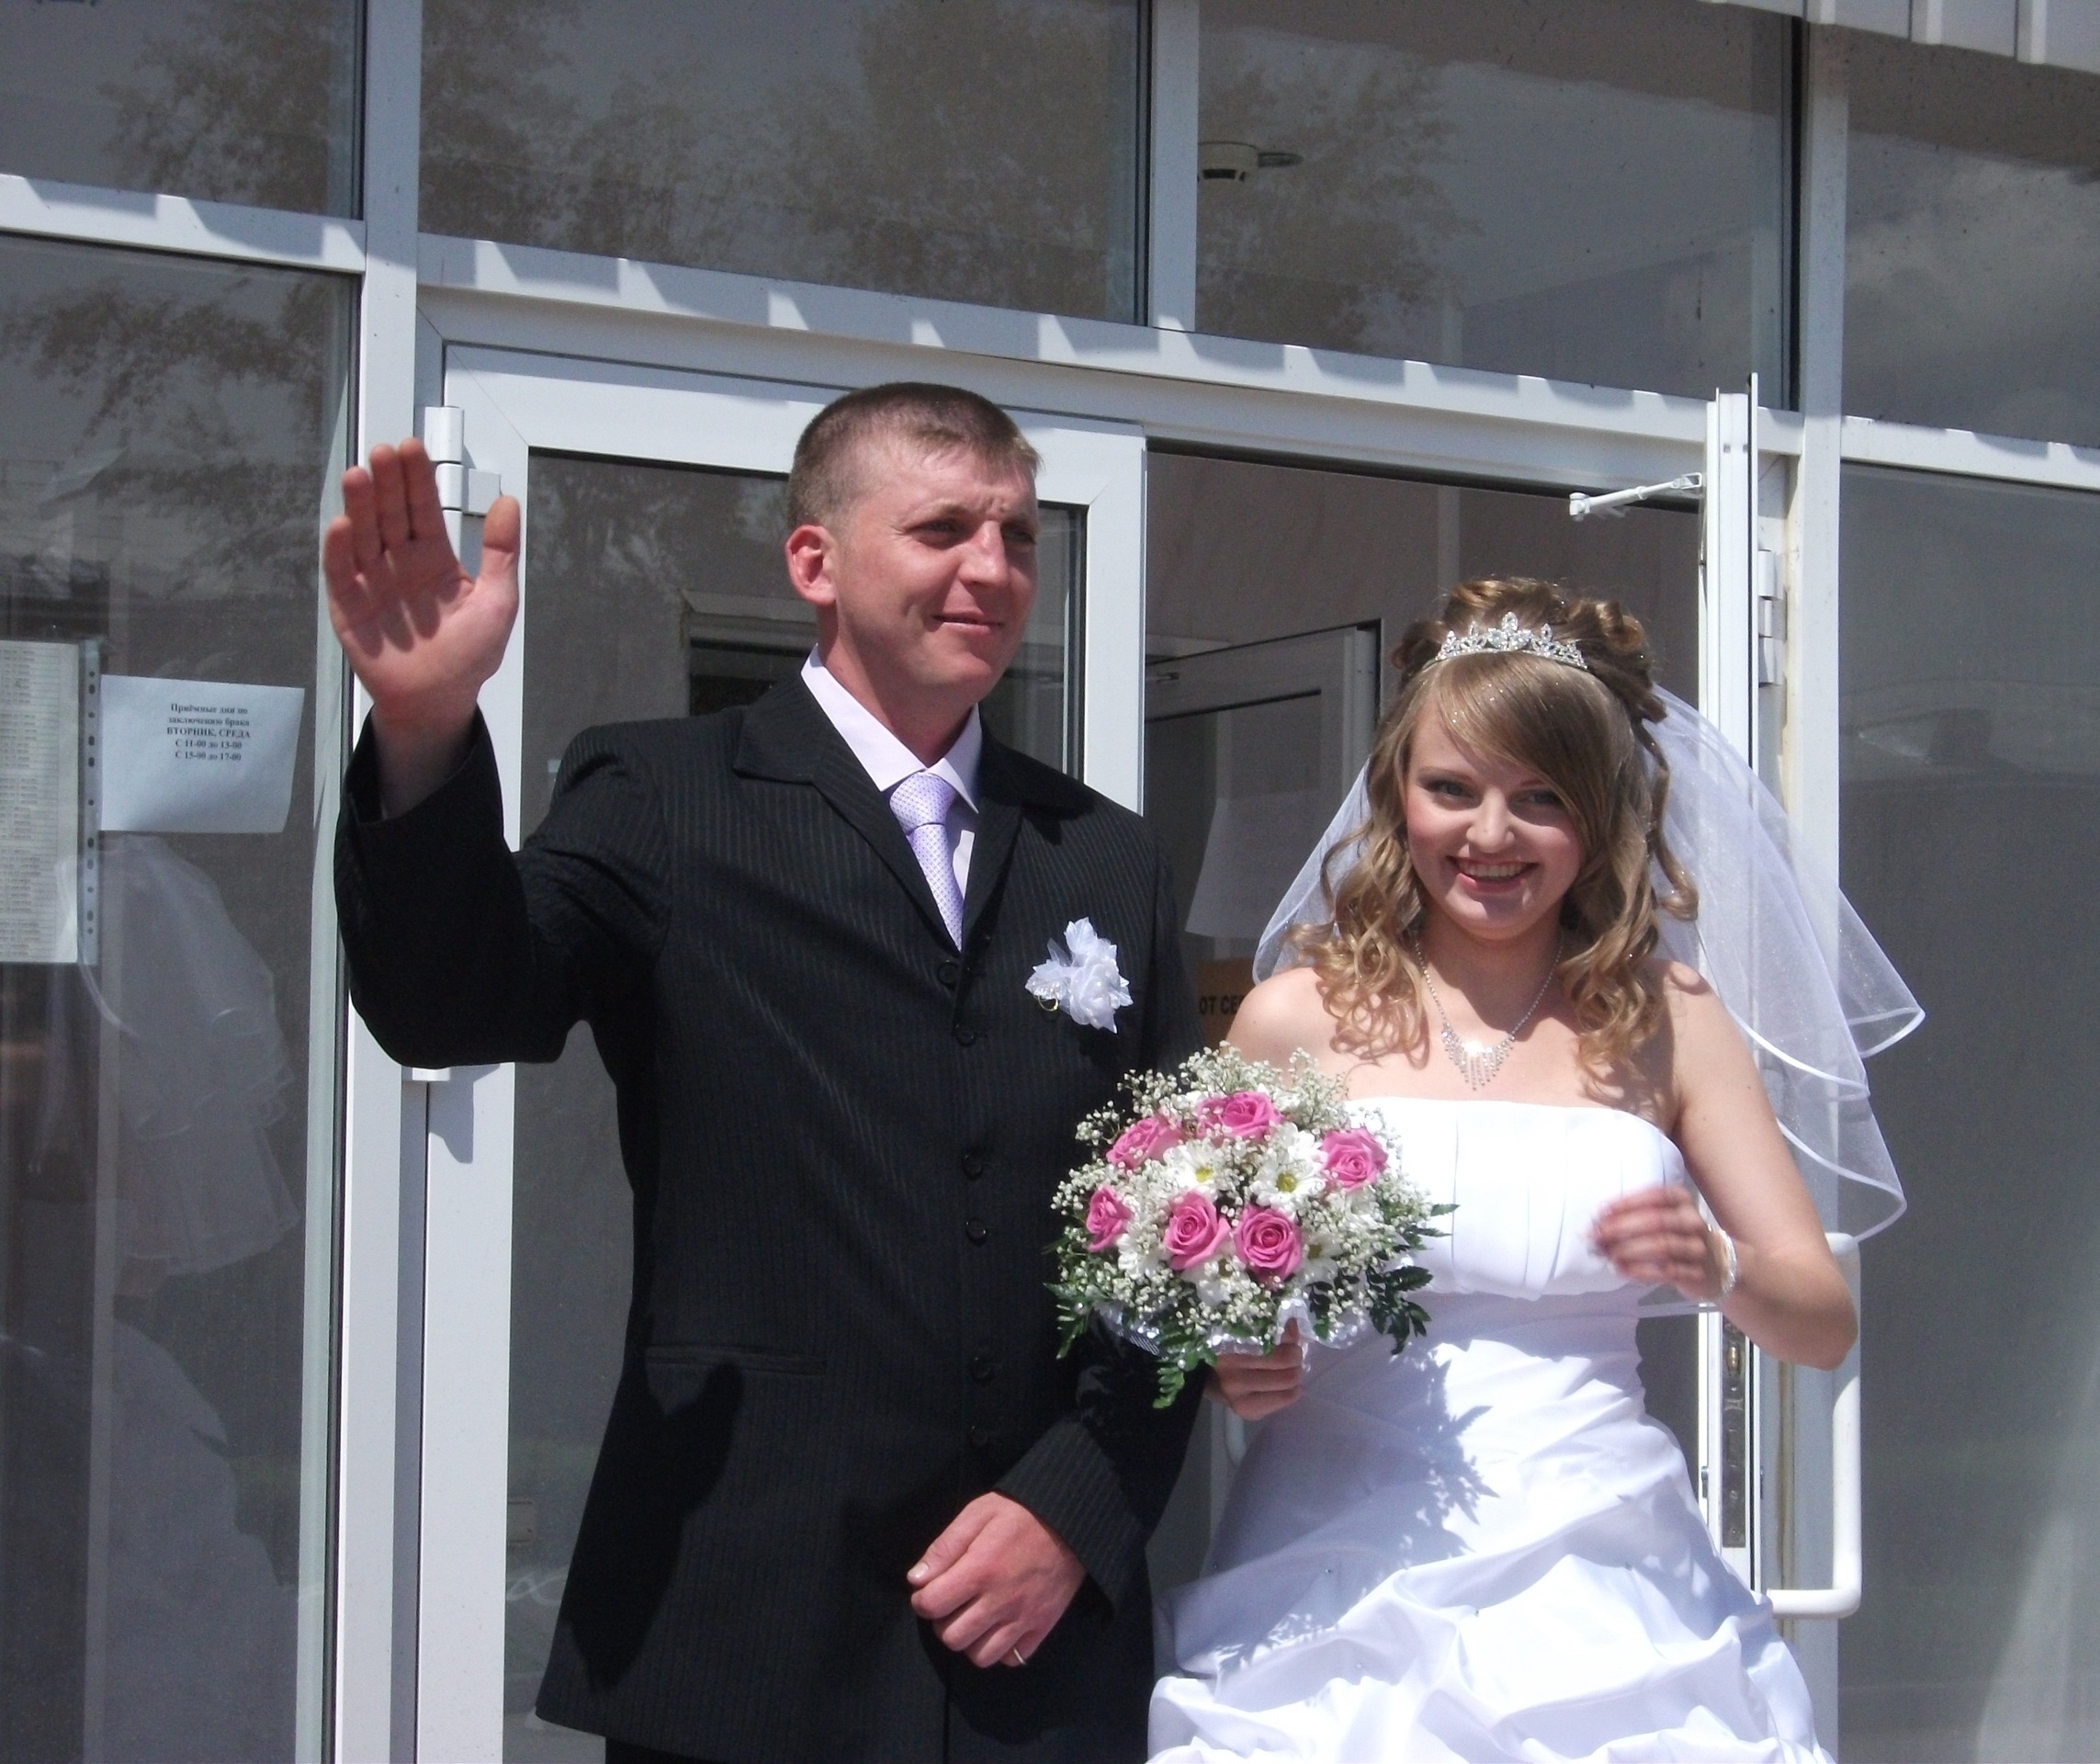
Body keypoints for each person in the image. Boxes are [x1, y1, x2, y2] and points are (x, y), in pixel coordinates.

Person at [328, 382, 1202, 1763]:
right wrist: (426, 729)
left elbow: (1184, 1237)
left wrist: (1080, 1508)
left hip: (1033, 1647)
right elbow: (452, 1006)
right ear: (815, 563)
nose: (992, 568)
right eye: (943, 529)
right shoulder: (662, 797)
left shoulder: (1104, 853)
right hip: (742, 1626)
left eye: (1019, 536)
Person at [1149, 579, 1906, 1762]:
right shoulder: (1291, 1019)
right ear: (1397, 797)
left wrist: (1720, 1264)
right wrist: (1224, 1364)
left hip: (1601, 1579)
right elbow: (1185, 1300)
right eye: (1453, 789)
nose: (1491, 837)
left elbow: (1822, 1320)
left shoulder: (1671, 1018)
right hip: (1330, 1574)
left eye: (1541, 798)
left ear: (1601, 818)